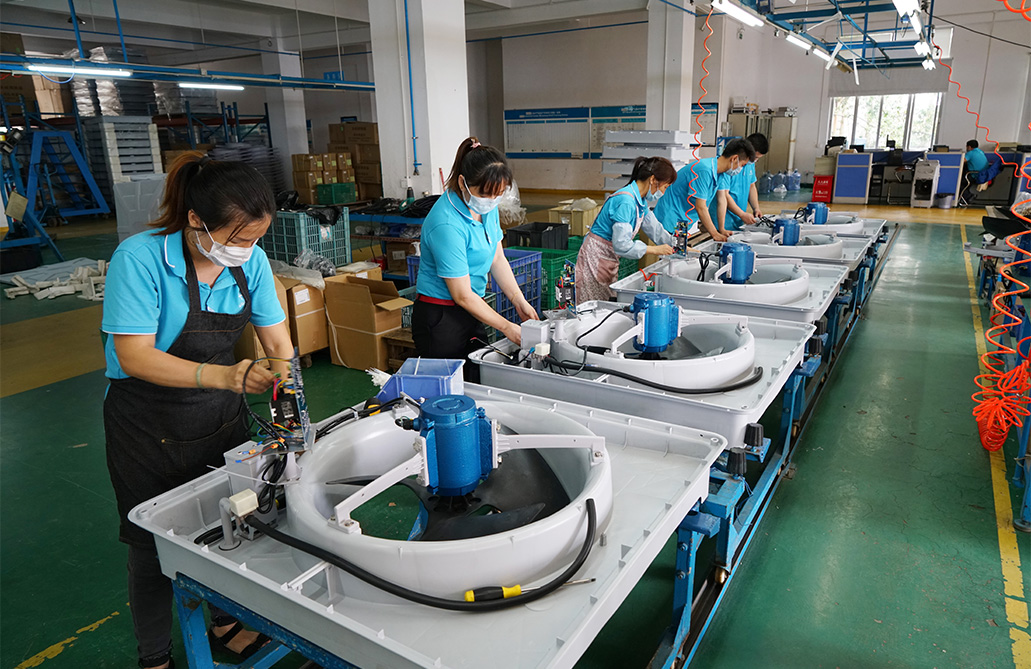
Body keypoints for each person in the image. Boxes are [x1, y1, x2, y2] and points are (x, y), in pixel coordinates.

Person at [102, 153, 293, 669]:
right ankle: (155, 656)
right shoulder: (139, 259)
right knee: (152, 544)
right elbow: (134, 355)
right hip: (149, 425)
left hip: (221, 417)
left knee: (231, 520)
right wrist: (225, 376)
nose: (247, 250)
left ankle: (225, 621)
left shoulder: (250, 261)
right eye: (238, 238)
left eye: (256, 239)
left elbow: (277, 340)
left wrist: (286, 383)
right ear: (195, 220)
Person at [413, 137, 539, 359]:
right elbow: (461, 294)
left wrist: (519, 301)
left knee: (477, 370)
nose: (491, 200)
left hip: (473, 307)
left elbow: (497, 258)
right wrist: (506, 327)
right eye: (484, 194)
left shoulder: (486, 207)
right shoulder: (446, 223)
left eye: (498, 194)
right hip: (441, 316)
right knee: (451, 377)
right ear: (462, 183)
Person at [575, 157, 678, 304]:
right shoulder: (626, 202)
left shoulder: (640, 201)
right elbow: (622, 245)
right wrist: (655, 250)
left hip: (607, 257)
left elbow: (655, 229)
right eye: (665, 187)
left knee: (604, 301)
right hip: (595, 257)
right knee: (591, 304)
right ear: (653, 180)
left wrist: (675, 244)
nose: (663, 192)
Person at [654, 139, 757, 242]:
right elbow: (701, 207)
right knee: (671, 249)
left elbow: (722, 200)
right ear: (734, 158)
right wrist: (714, 234)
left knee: (678, 249)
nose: (740, 169)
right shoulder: (704, 170)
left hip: (682, 220)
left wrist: (721, 229)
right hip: (671, 217)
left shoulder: (720, 173)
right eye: (742, 165)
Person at [714, 133, 768, 234]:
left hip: (739, 220)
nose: (755, 160)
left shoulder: (749, 164)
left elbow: (751, 186)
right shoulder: (729, 165)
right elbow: (724, 196)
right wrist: (742, 214)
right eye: (755, 157)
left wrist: (756, 208)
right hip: (724, 221)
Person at [959, 139, 989, 206]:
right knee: (965, 184)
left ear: (969, 147)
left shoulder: (971, 153)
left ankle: (969, 196)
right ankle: (966, 198)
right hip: (982, 174)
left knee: (959, 184)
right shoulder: (981, 152)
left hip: (975, 175)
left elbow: (961, 161)